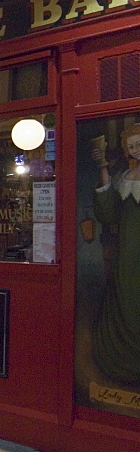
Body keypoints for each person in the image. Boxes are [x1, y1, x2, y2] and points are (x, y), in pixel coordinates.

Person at [91, 124, 140, 384]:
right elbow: (108, 213)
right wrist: (103, 168)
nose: (136, 150)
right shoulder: (124, 176)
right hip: (127, 250)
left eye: (139, 144)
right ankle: (124, 358)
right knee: (125, 293)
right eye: (132, 146)